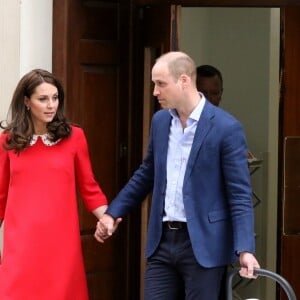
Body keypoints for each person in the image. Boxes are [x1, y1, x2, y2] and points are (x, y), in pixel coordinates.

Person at [95, 51, 260, 300]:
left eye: (161, 84)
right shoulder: (161, 122)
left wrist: (245, 249)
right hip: (162, 241)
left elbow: (239, 195)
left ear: (184, 81)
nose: (155, 91)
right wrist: (112, 212)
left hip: (204, 245)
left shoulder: (226, 128)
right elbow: (147, 173)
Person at [0, 69, 108, 299]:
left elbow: (89, 187)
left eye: (55, 98)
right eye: (43, 99)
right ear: (27, 102)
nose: (51, 105)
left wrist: (108, 217)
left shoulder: (75, 137)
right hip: (21, 244)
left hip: (62, 244)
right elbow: (0, 195)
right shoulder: (7, 141)